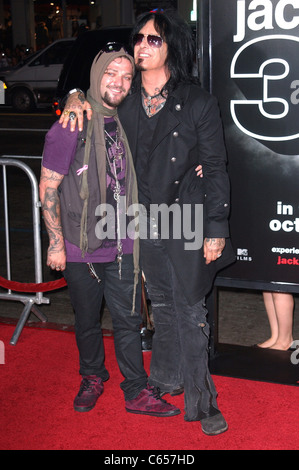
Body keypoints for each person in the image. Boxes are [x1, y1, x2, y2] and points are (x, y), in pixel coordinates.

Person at [59, 9, 235, 435]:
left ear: (172, 45)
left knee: (191, 308)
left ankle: (203, 399)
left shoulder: (197, 101)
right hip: (142, 219)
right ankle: (166, 378)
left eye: (152, 39)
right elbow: (95, 95)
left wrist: (217, 228)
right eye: (138, 38)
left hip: (187, 217)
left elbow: (215, 167)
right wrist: (75, 95)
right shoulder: (126, 98)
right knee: (162, 303)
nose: (141, 46)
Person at [39, 44, 180, 418]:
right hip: (78, 243)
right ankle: (92, 376)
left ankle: (135, 389)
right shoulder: (70, 126)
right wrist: (55, 244)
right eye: (110, 73)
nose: (118, 82)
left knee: (128, 321)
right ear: (96, 75)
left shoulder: (128, 119)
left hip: (124, 241)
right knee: (86, 319)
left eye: (125, 76)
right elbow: (48, 186)